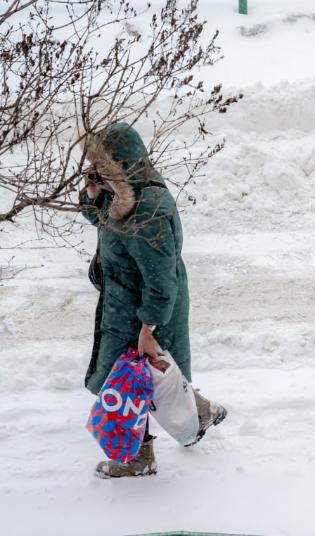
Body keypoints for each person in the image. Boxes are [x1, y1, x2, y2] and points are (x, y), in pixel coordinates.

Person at [80, 122, 227, 478]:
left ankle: (138, 458)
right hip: (124, 303)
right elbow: (100, 217)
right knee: (149, 375)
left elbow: (161, 281)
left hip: (147, 308)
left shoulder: (149, 210)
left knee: (130, 381)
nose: (97, 169)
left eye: (102, 164)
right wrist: (92, 192)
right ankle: (201, 411)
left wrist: (149, 327)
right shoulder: (122, 189)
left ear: (119, 163)